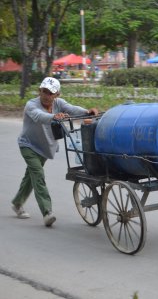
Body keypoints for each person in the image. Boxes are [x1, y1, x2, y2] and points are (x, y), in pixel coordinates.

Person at [11, 77, 98, 227]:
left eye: (50, 93)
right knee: (38, 175)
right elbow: (40, 116)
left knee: (30, 177)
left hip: (45, 147)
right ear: (40, 91)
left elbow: (71, 108)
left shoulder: (59, 103)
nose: (46, 95)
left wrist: (87, 111)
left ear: (57, 94)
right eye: (44, 91)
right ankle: (47, 212)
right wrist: (54, 117)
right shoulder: (31, 105)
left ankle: (17, 203)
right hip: (28, 146)